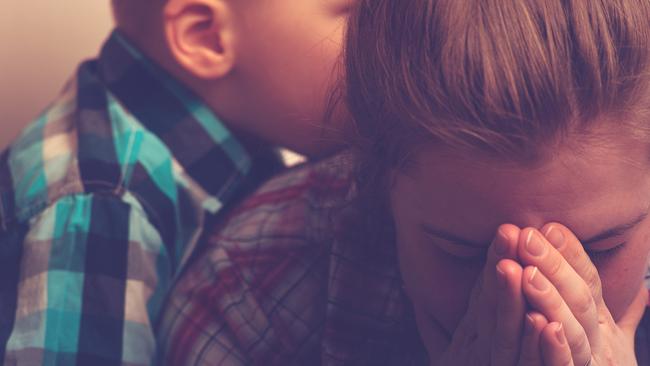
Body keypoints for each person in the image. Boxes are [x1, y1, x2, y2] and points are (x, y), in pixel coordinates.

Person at [159, 0, 650, 364]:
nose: (528, 305)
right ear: (376, 181)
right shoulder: (246, 300)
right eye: (462, 254)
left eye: (604, 247)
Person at [0, 0, 352, 364]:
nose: (387, 44)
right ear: (205, 37)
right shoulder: (103, 208)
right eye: (357, 13)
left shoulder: (239, 128)